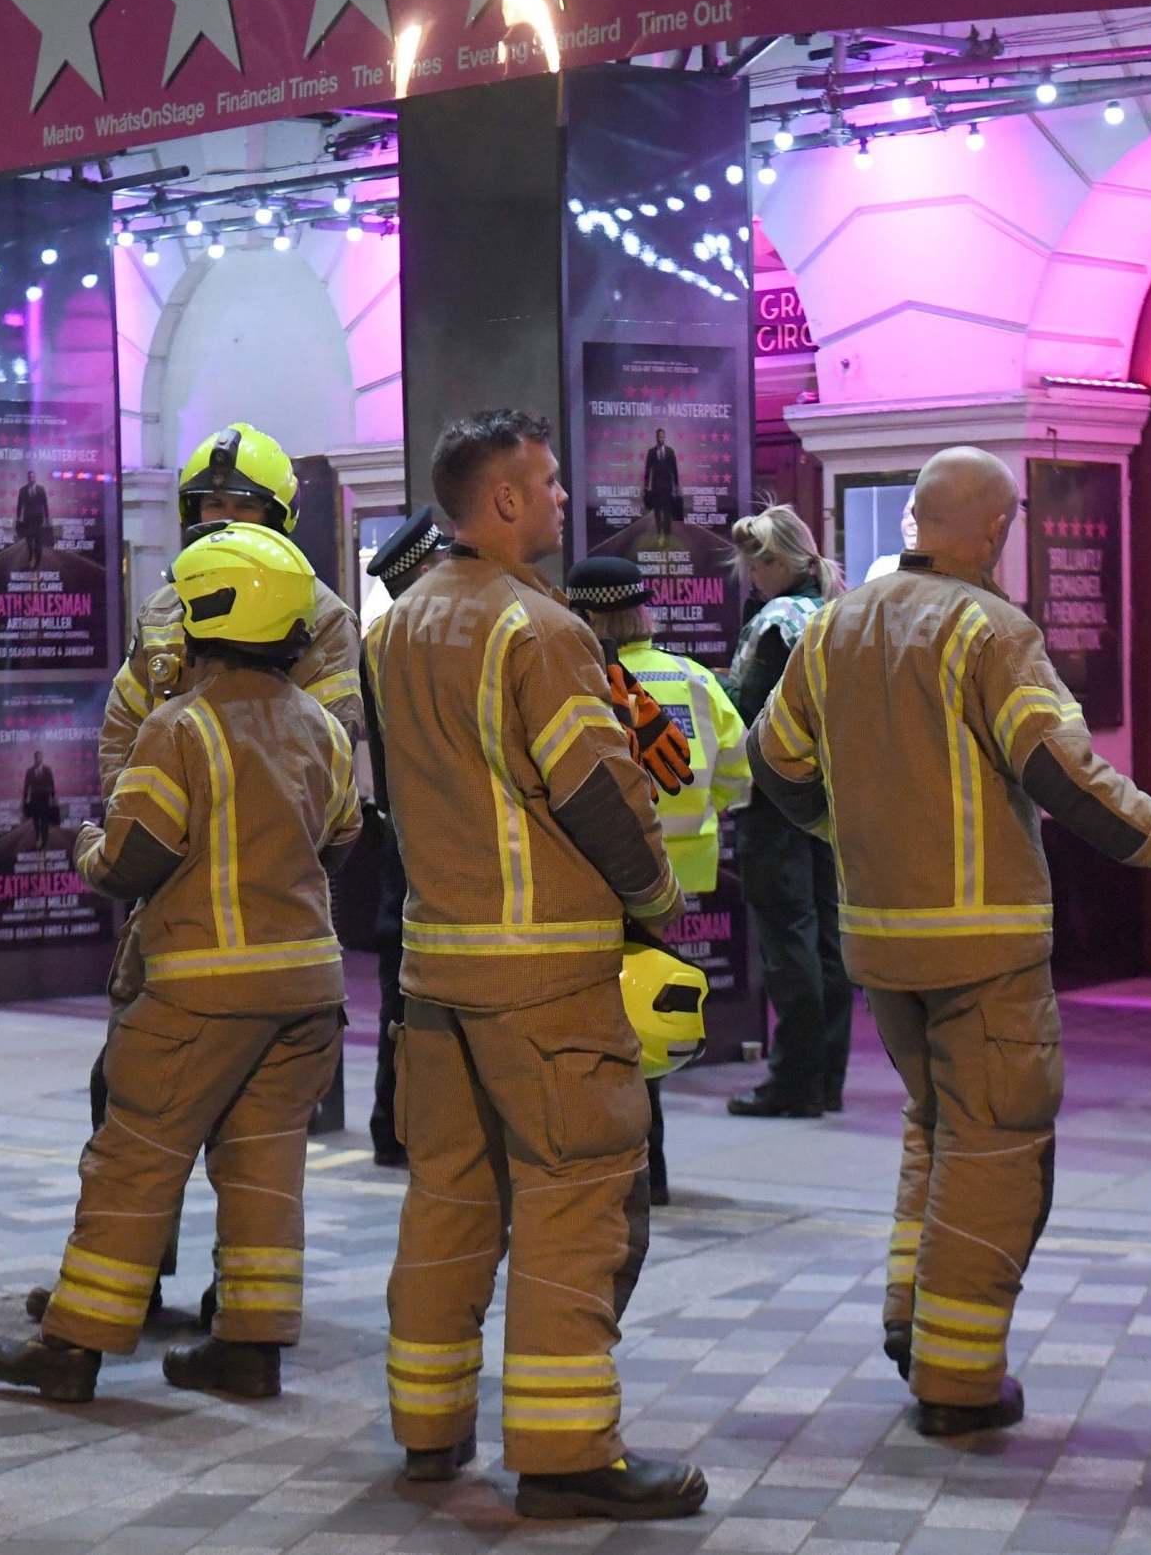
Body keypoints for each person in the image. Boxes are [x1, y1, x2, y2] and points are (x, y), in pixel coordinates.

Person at [751, 445, 1151, 1438]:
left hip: (879, 940)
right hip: (982, 945)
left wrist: (850, 833)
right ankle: (956, 1382)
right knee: (997, 1150)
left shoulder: (834, 627)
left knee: (936, 1128)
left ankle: (911, 1317)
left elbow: (771, 762)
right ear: (995, 528)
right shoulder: (989, 630)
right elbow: (1068, 782)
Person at [368, 408, 706, 1520]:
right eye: (550, 484)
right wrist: (659, 902)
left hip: (436, 973)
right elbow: (599, 790)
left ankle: (428, 1426)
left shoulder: (401, 623)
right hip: (544, 975)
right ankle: (565, 1455)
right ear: (502, 500)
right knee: (573, 1199)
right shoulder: (541, 630)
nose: (564, 500)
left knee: (449, 1198)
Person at [0, 525, 361, 1403]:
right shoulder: (322, 731)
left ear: (207, 618)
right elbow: (337, 843)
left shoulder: (178, 728)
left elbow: (134, 857)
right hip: (306, 991)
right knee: (264, 1167)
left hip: (197, 991)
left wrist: (85, 847)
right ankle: (250, 1347)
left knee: (134, 1160)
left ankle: (73, 1348)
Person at [566, 553, 749, 1203]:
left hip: (593, 880)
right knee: (652, 1021)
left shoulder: (576, 679)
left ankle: (615, 1174)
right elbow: (737, 773)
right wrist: (701, 814)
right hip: (675, 882)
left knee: (599, 1030)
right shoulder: (693, 678)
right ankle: (654, 1172)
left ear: (585, 613)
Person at [723, 505, 854, 1119]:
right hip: (830, 792)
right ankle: (825, 1077)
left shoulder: (776, 622)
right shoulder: (833, 611)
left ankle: (792, 1080)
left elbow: (752, 712)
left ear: (776, 562)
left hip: (775, 797)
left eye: (755, 563)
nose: (750, 575)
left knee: (787, 937)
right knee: (826, 934)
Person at [365, 506, 452, 1168]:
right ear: (421, 569)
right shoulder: (435, 633)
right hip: (437, 838)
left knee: (400, 987)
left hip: (401, 835)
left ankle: (391, 1124)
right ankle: (408, 1124)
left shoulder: (381, 638)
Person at [642, 427, 683, 542]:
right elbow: (647, 470)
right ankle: (660, 532)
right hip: (656, 487)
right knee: (657, 511)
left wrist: (676, 486)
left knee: (667, 511)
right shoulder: (651, 452)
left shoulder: (670, 451)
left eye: (662, 436)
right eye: (658, 436)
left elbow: (674, 470)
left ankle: (667, 533)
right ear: (656, 437)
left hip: (667, 487)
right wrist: (646, 486)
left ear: (664, 437)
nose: (660, 438)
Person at [22, 751, 60, 852]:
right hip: (34, 801)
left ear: (42, 758)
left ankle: (44, 842)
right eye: (37, 757)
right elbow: (26, 786)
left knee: (45, 821)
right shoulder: (29, 771)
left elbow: (52, 784)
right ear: (34, 758)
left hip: (45, 800)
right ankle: (38, 837)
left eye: (40, 757)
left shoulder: (47, 770)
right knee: (36, 821)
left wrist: (53, 798)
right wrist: (25, 799)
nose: (39, 759)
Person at [14, 470, 49, 568]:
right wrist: (18, 518)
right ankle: (30, 557)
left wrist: (47, 518)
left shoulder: (41, 489)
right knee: (29, 541)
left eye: (33, 477)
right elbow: (19, 505)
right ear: (27, 478)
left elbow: (45, 504)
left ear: (35, 478)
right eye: (29, 477)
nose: (31, 478)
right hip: (27, 519)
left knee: (38, 541)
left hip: (38, 519)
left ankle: (37, 561)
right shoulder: (23, 490)